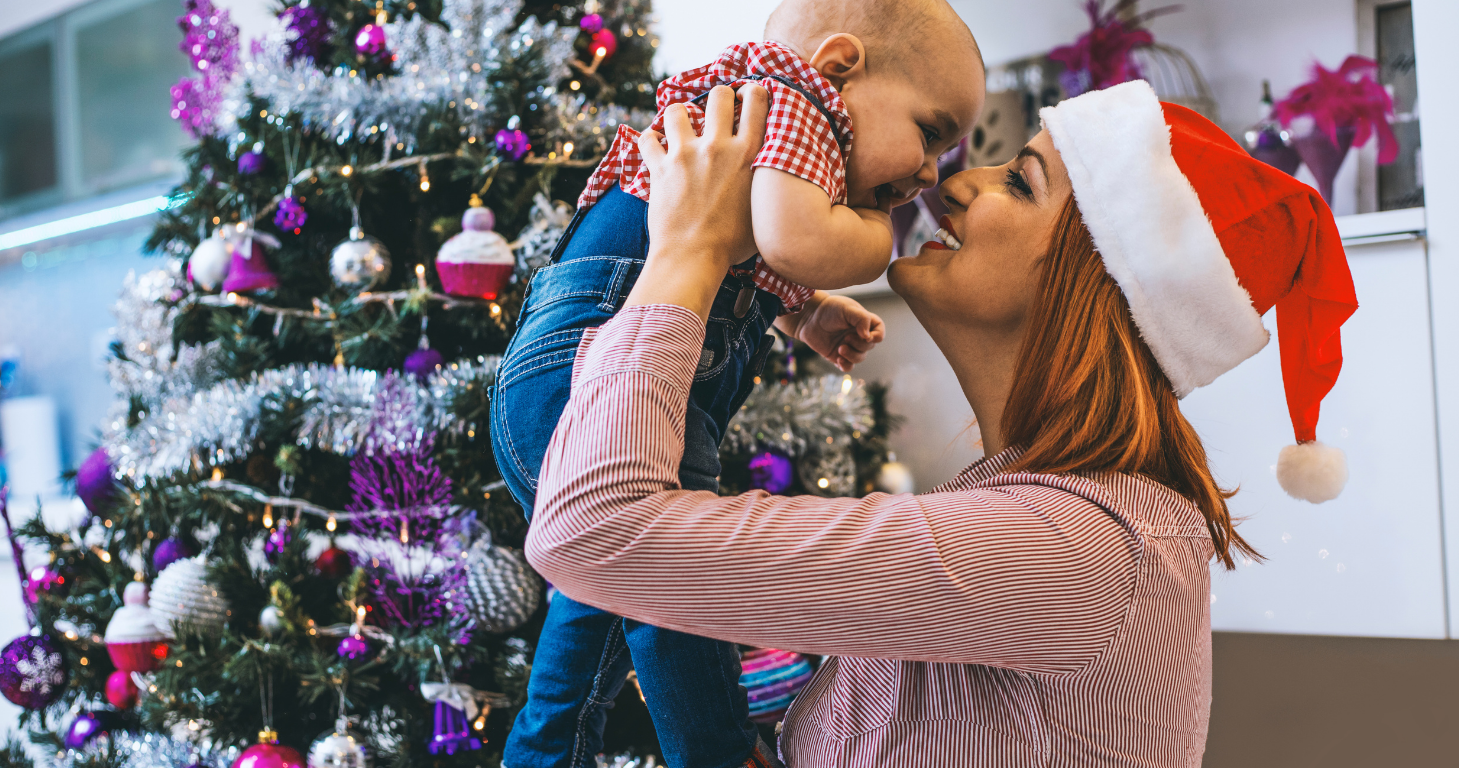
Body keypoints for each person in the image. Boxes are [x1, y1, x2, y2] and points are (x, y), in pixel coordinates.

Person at [525, 80, 1357, 767]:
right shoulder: (1034, 512)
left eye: (1021, 183)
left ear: (1100, 286)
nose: (955, 183)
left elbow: (591, 530)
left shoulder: (1079, 547)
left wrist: (687, 251)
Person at [494, 1, 985, 766]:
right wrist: (876, 238)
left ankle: (551, 753)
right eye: (930, 131)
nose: (930, 172)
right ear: (840, 66)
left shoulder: (772, 124)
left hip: (569, 377)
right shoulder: (793, 98)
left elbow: (747, 250)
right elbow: (793, 239)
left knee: (609, 606)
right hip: (589, 375)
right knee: (673, 580)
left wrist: (807, 315)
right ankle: (718, 752)